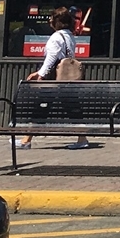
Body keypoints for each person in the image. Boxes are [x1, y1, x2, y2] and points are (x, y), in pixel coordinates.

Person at [25, 8, 87, 149]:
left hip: (54, 78)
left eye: (52, 19)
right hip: (66, 78)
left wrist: (41, 75)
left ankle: (25, 140)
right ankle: (82, 139)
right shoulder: (69, 36)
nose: (49, 21)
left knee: (42, 106)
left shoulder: (56, 37)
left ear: (57, 22)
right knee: (71, 108)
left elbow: (51, 58)